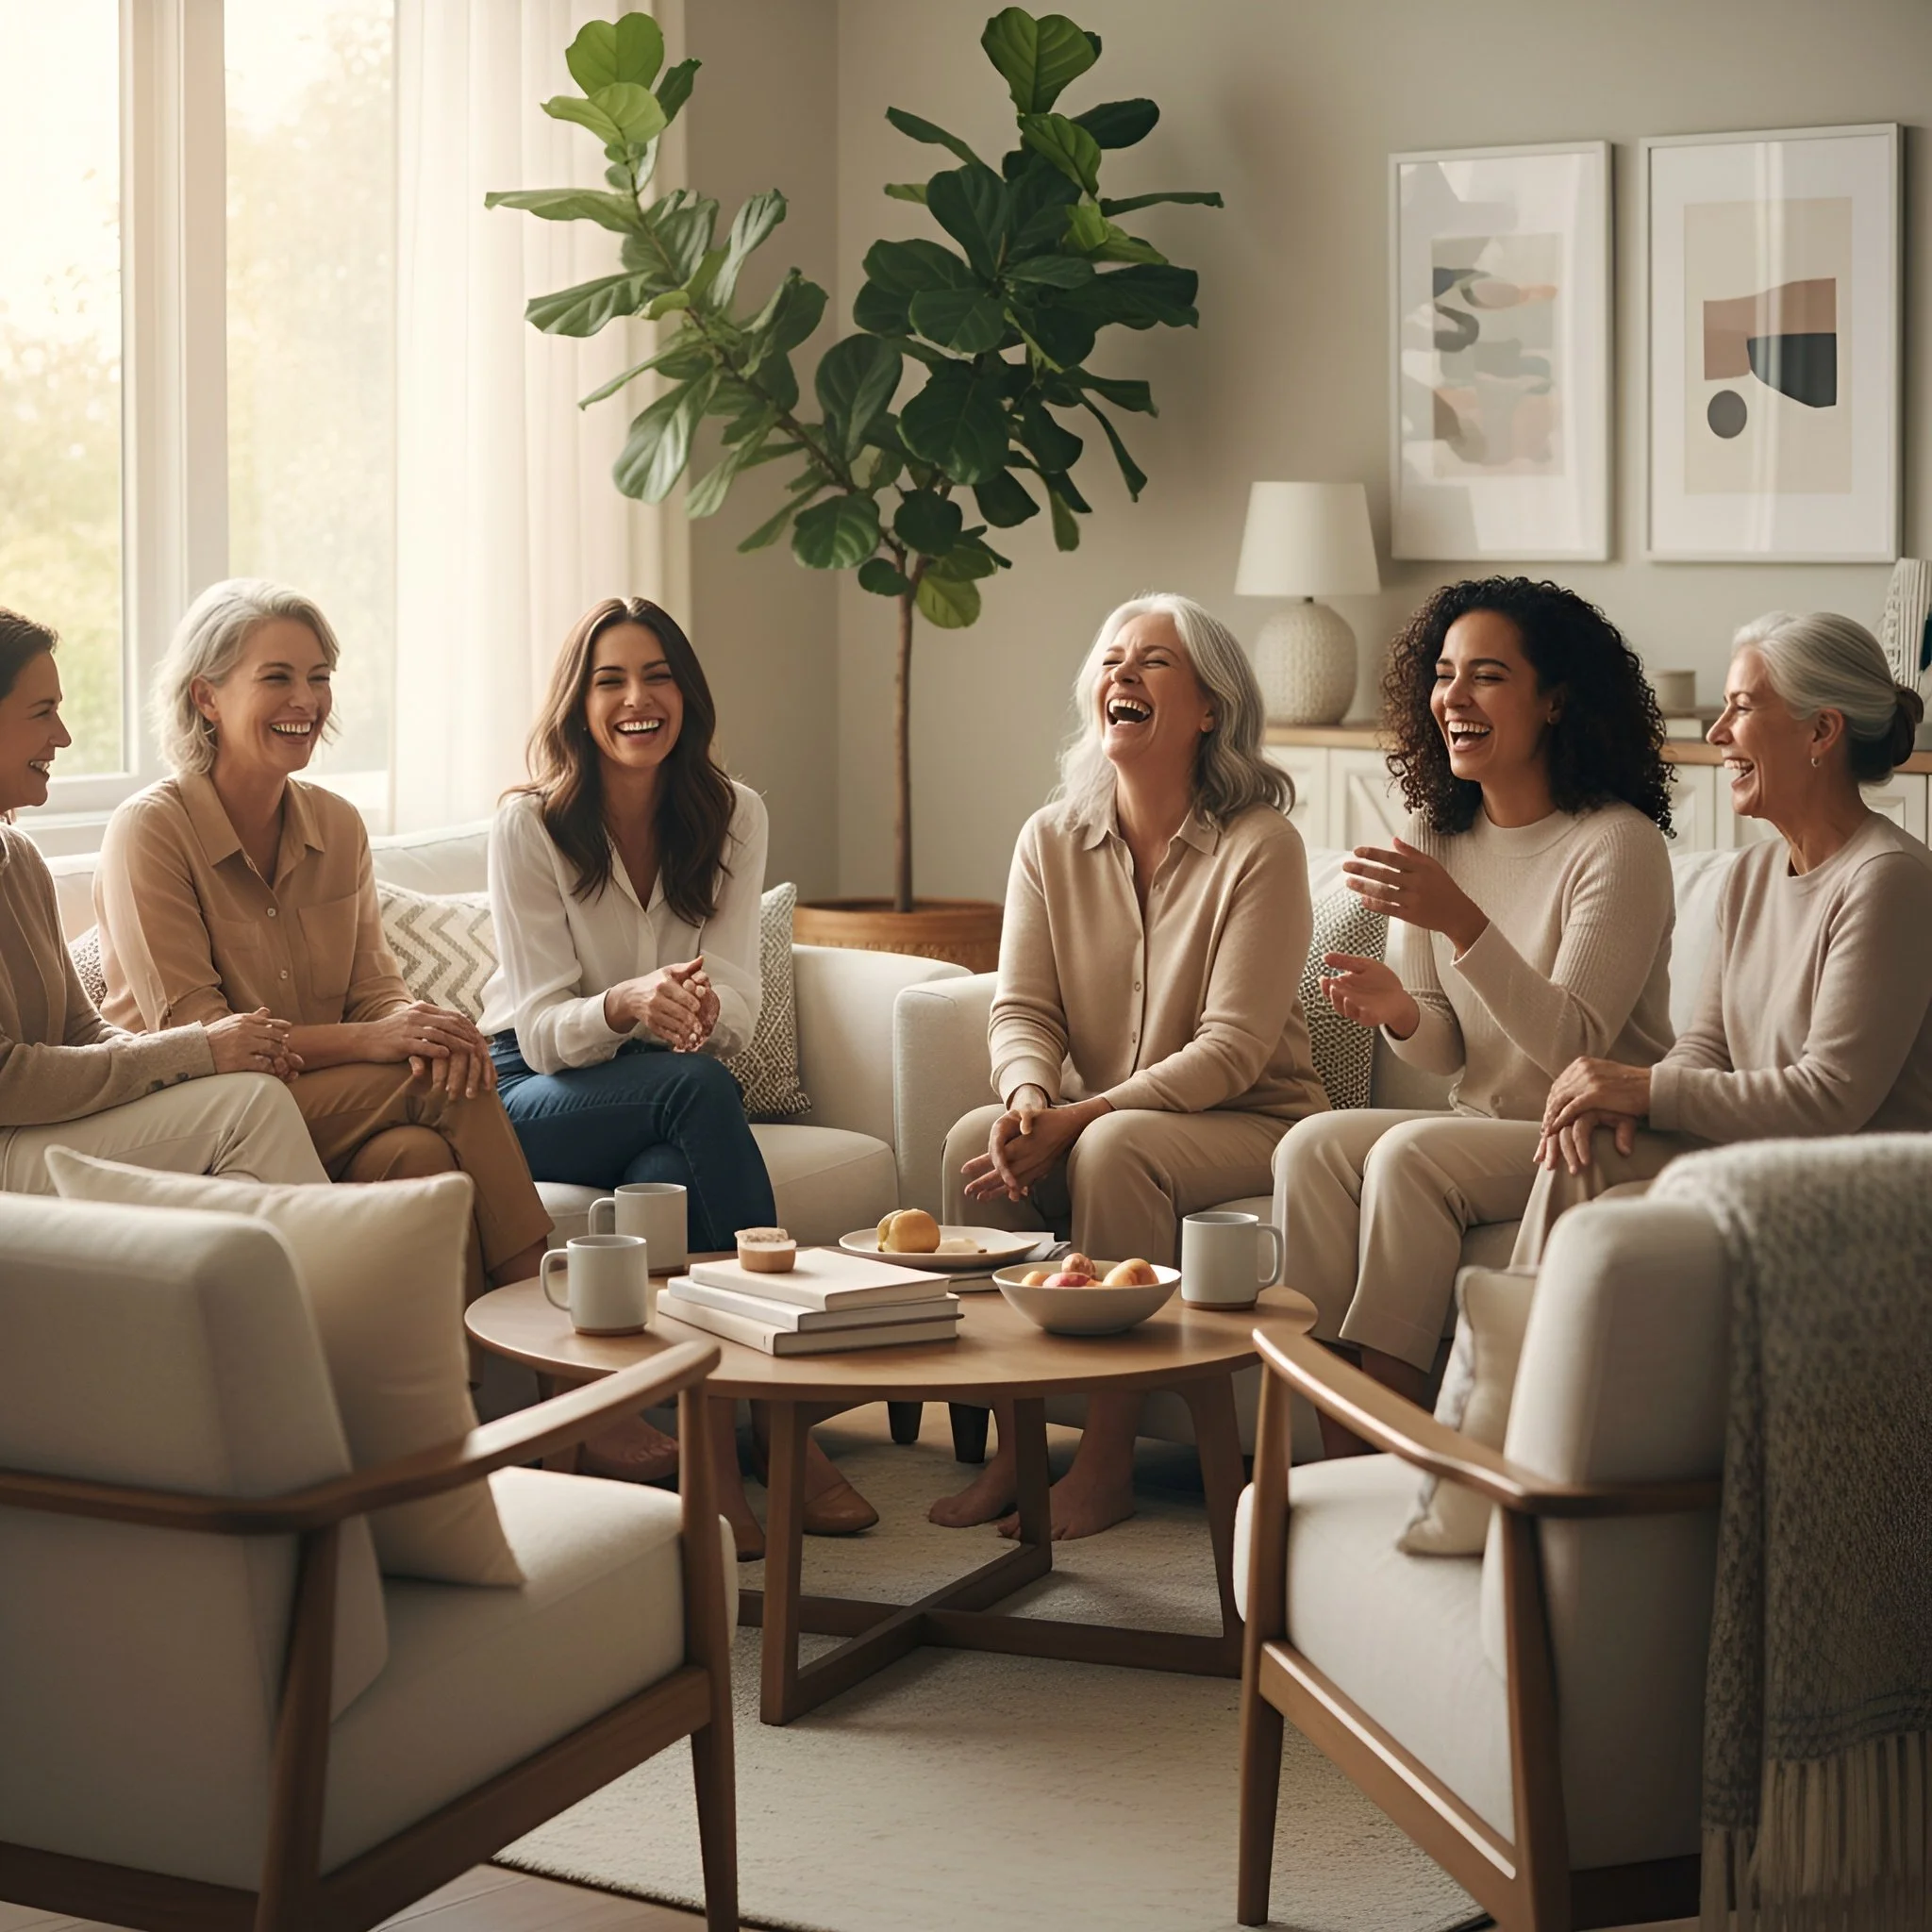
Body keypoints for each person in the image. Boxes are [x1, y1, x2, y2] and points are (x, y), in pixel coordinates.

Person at [932, 592, 1329, 1541]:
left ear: (1207, 709)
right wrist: (1030, 1096)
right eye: (1111, 658)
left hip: (1251, 1117)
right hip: (1112, 1112)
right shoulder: (1048, 838)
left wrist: (1084, 1114)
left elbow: (1232, 1049)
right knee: (968, 1146)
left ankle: (1103, 1458)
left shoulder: (1260, 846)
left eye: (1153, 660)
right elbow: (1022, 1007)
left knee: (1111, 1151)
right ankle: (1012, 1448)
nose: (1121, 673)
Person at [482, 594, 871, 1554]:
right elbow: (535, 1028)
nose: (636, 698)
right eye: (609, 679)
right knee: (696, 1093)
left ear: (685, 694)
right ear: (578, 702)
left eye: (655, 675)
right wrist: (626, 1005)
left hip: (666, 1078)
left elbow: (734, 982)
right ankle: (785, 1434)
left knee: (666, 1168)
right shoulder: (529, 826)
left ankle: (708, 1451)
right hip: (535, 1089)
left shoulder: (733, 813)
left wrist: (701, 1012)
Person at [1273, 577, 1674, 1419]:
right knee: (1310, 1147)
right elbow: (1448, 1052)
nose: (1453, 697)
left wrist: (1462, 924)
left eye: (1487, 675)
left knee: (1409, 1158)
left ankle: (1393, 1442)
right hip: (1485, 1125)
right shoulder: (1435, 835)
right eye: (1445, 673)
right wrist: (1401, 1012)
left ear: (1556, 701)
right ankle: (1327, 1439)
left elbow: (1576, 1046)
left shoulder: (1617, 846)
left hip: (1592, 1132)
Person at [93, 578, 552, 1298]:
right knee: (448, 1094)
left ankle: (454, 1407)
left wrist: (415, 1027)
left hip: (316, 1105)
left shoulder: (337, 826)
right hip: (200, 1115)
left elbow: (374, 993)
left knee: (419, 1154)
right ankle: (574, 1375)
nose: (306, 701)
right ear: (206, 697)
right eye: (277, 677)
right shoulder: (151, 830)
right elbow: (204, 1038)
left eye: (319, 677)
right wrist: (377, 1044)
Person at [1518, 609, 1932, 1257]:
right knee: (1585, 1150)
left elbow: (1830, 1098)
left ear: (1821, 731)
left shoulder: (1889, 880)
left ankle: (1517, 1349)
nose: (1716, 733)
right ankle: (1511, 1356)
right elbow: (1706, 1045)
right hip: (1757, 1161)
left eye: (1741, 708)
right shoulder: (1752, 873)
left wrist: (1645, 1088)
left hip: (1858, 1190)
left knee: (1614, 1228)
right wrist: (1635, 1104)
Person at [0, 607, 325, 1191]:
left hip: (41, 1130)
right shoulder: (151, 827)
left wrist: (194, 1062)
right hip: (7, 1139)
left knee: (245, 1099)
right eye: (43, 712)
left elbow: (81, 1030)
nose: (63, 736)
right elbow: (7, 1078)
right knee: (246, 1109)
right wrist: (198, 1051)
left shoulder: (19, 860)